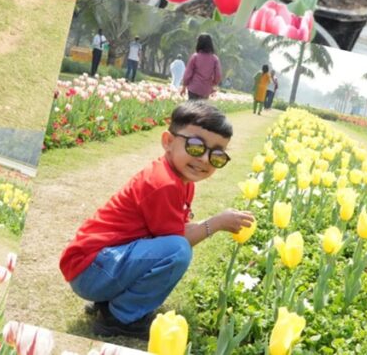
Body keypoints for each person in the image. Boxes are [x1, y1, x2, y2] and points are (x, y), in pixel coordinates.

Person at [60, 102, 255, 339]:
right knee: (178, 251)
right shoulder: (163, 183)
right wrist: (216, 223)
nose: (205, 158)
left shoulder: (179, 180)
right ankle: (120, 318)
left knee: (174, 247)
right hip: (90, 269)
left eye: (216, 154)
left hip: (96, 264)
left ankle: (110, 302)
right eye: (195, 146)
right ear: (168, 142)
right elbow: (175, 243)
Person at [182, 34, 222, 101]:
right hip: (205, 90)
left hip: (193, 88)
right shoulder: (215, 59)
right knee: (201, 110)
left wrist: (184, 86)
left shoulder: (195, 57)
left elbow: (187, 74)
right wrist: (212, 84)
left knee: (191, 109)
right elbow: (218, 76)